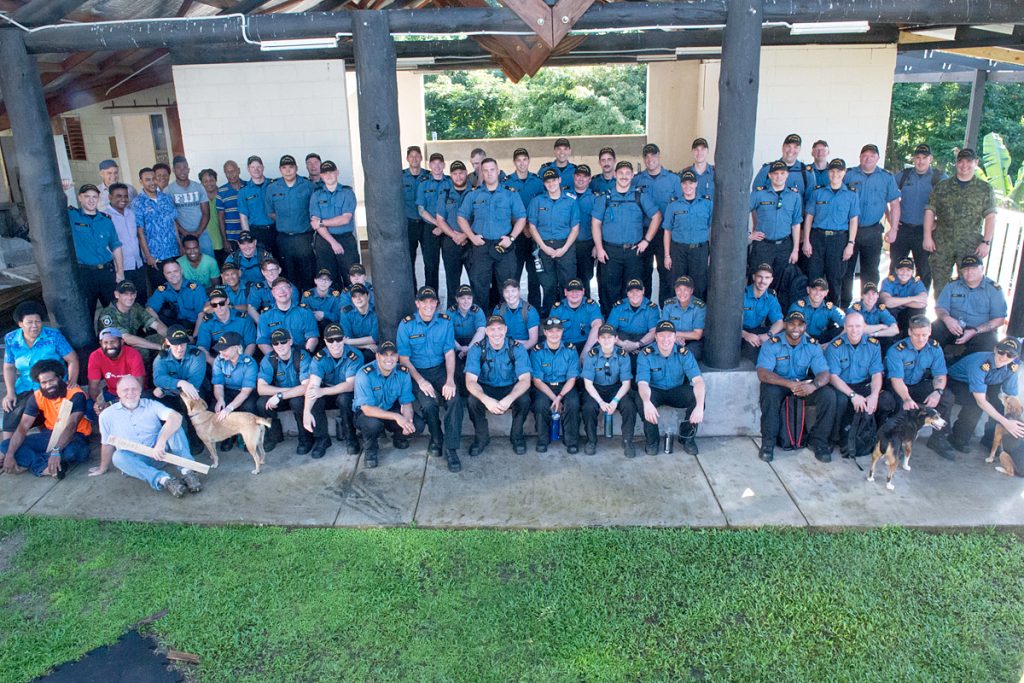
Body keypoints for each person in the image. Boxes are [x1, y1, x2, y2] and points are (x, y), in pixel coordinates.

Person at [93, 376, 202, 497]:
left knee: (174, 427)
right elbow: (107, 443)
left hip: (159, 453)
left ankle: (188, 471)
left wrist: (161, 443)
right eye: (125, 390)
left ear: (140, 390)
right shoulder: (106, 415)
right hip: (136, 461)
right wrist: (103, 467)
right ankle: (165, 480)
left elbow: (176, 417)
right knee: (118, 457)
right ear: (118, 392)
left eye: (134, 389)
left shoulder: (151, 405)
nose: (130, 393)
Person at [755, 311, 836, 463]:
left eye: (800, 325)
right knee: (768, 392)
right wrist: (789, 384)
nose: (796, 328)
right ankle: (768, 443)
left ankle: (819, 442)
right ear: (785, 325)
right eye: (792, 324)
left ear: (805, 327)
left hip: (804, 385)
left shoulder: (812, 345)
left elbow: (824, 373)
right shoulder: (772, 344)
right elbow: (762, 372)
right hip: (780, 383)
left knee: (829, 395)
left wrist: (813, 386)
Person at [397, 286, 463, 472]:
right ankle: (436, 437)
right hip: (417, 371)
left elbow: (449, 353)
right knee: (428, 404)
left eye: (432, 301)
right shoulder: (406, 325)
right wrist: (420, 381)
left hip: (440, 369)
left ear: (436, 303)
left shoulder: (445, 321)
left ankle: (451, 448)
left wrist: (450, 380)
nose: (428, 305)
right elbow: (404, 359)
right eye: (424, 302)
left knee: (454, 399)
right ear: (417, 304)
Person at [591, 161, 662, 316]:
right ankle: (610, 323)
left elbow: (657, 216)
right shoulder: (606, 197)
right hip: (610, 252)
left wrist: (646, 241)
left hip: (633, 252)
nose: (624, 176)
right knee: (610, 289)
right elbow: (596, 223)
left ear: (632, 176)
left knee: (632, 289)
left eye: (627, 173)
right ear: (615, 174)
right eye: (621, 173)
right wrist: (600, 248)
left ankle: (630, 321)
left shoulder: (639, 196)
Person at [933, 338, 1024, 458]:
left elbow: (1011, 396)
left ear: (1015, 357)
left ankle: (990, 439)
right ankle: (958, 437)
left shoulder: (1012, 367)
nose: (1004, 357)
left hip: (984, 382)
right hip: (955, 381)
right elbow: (981, 401)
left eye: (1010, 355)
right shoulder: (981, 363)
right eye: (1001, 352)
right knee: (975, 402)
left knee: (1000, 403)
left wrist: (1015, 417)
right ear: (995, 349)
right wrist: (1006, 422)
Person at [924, 147, 996, 296]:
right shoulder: (942, 186)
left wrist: (986, 242)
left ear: (976, 163)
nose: (964, 165)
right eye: (961, 161)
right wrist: (927, 237)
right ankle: (942, 311)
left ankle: (962, 311)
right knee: (940, 285)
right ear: (956, 163)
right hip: (942, 244)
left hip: (970, 246)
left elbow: (991, 217)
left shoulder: (984, 189)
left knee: (969, 285)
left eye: (969, 161)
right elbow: (930, 211)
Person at [0, 359, 90, 478]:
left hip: (76, 435)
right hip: (49, 434)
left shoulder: (75, 394)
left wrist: (56, 451)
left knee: (72, 452)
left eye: (51, 380)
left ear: (59, 377)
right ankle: (45, 467)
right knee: (6, 446)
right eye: (43, 382)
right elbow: (23, 427)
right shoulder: (37, 396)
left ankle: (37, 463)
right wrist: (10, 455)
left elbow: (71, 426)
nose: (48, 385)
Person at [457, 157, 527, 309]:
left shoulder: (510, 194)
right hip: (481, 246)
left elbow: (522, 217)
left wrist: (511, 238)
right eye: (485, 171)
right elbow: (461, 217)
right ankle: (481, 319)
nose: (489, 173)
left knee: (507, 285)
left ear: (498, 172)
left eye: (492, 170)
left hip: (503, 245)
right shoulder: (474, 194)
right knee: (479, 285)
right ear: (481, 173)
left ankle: (506, 318)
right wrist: (472, 237)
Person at [3, 302, 78, 439]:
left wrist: (72, 381)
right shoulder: (11, 339)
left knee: (50, 415)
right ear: (20, 324)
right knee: (11, 409)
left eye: (37, 321)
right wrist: (10, 392)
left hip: (52, 385)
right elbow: (9, 367)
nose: (34, 326)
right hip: (26, 386)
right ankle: (5, 448)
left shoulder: (53, 336)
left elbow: (72, 359)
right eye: (29, 322)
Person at [839, 144, 901, 308]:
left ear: (878, 158)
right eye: (865, 155)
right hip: (848, 231)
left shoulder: (886, 177)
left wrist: (893, 229)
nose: (868, 159)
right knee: (846, 270)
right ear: (860, 157)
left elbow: (894, 204)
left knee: (871, 271)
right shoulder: (849, 175)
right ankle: (844, 304)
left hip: (872, 230)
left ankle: (868, 305)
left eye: (872, 156)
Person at [465, 315, 532, 456]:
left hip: (510, 386)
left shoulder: (517, 348)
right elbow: (470, 381)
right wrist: (486, 399)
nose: (496, 333)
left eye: (500, 328)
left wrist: (509, 398)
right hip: (486, 387)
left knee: (524, 399)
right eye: (492, 329)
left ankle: (517, 437)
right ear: (486, 331)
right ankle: (481, 438)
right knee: (472, 400)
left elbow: (525, 380)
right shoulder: (477, 349)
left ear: (506, 329)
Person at [637, 320, 706, 455]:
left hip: (676, 390)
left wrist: (699, 406)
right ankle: (652, 440)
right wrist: (646, 402)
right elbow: (642, 383)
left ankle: (687, 438)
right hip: (655, 390)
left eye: (669, 336)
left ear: (675, 337)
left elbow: (698, 381)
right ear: (656, 337)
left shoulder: (684, 353)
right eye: (661, 335)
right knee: (640, 399)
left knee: (697, 397)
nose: (665, 340)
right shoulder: (646, 354)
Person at [352, 341, 422, 469]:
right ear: (377, 356)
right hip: (368, 414)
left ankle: (398, 438)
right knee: (372, 424)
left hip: (389, 409)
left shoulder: (403, 372)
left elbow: (406, 401)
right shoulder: (364, 374)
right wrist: (397, 417)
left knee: (417, 425)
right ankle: (370, 450)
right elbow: (367, 409)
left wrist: (407, 421)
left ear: (397, 356)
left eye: (392, 354)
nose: (389, 359)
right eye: (384, 355)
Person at [824, 312, 883, 458]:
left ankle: (875, 438)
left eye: (858, 326)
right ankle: (832, 438)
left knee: (886, 401)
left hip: (862, 384)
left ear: (864, 326)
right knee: (840, 401)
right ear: (845, 327)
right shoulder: (835, 346)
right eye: (850, 326)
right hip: (841, 385)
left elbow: (876, 373)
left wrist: (874, 395)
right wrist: (853, 395)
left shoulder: (873, 345)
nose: (854, 330)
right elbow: (833, 377)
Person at [889, 143, 947, 290]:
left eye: (924, 158)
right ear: (914, 159)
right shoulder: (904, 175)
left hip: (925, 232)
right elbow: (885, 194)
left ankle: (919, 301)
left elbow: (949, 205)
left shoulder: (939, 178)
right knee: (896, 267)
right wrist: (891, 221)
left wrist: (938, 223)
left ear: (930, 159)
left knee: (924, 270)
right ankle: (893, 297)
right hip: (902, 229)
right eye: (917, 158)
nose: (920, 161)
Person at [803, 158, 859, 304]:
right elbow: (809, 217)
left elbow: (853, 220)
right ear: (828, 172)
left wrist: (850, 244)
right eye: (832, 171)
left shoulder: (851, 195)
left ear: (844, 173)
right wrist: (806, 240)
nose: (835, 174)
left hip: (838, 240)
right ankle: (811, 311)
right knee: (814, 277)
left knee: (835, 279)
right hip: (817, 238)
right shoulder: (818, 192)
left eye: (839, 171)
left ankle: (832, 312)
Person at [303, 324, 363, 458]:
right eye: (330, 340)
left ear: (343, 339)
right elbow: (312, 386)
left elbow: (350, 385)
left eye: (338, 339)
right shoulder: (319, 358)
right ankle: (322, 439)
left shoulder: (354, 355)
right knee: (314, 398)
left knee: (345, 399)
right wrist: (306, 411)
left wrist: (322, 391)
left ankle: (351, 437)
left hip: (345, 391)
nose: (335, 343)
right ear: (325, 341)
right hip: (328, 389)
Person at [932, 255, 1007, 360]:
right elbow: (940, 307)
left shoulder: (994, 290)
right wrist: (947, 319)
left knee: (988, 347)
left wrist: (975, 331)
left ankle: (961, 365)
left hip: (980, 331)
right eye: (966, 269)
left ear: (982, 269)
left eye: (973, 268)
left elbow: (999, 320)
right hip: (953, 326)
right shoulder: (952, 285)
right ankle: (932, 363)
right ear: (961, 271)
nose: (969, 272)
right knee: (931, 331)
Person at [876, 315, 948, 425]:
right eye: (916, 335)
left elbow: (940, 374)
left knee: (947, 397)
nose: (921, 339)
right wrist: (907, 398)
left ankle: (940, 434)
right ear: (909, 332)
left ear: (930, 332)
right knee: (900, 412)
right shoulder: (897, 350)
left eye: (924, 335)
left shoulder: (935, 348)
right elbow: (897, 379)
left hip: (917, 384)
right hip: (897, 387)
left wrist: (937, 392)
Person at [633, 143, 682, 300]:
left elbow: (680, 206)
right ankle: (646, 307)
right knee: (643, 273)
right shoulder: (637, 180)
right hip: (644, 233)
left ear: (659, 156)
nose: (650, 159)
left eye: (653, 155)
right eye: (646, 156)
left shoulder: (673, 179)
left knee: (667, 273)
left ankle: (665, 307)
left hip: (665, 234)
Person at [581, 324, 638, 457]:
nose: (606, 340)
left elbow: (626, 384)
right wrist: (601, 402)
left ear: (615, 339)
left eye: (610, 337)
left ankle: (627, 441)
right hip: (595, 388)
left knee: (629, 406)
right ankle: (591, 440)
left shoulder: (623, 355)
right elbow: (588, 384)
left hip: (616, 388)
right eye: (603, 337)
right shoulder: (591, 355)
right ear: (598, 339)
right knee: (589, 407)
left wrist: (615, 401)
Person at [70, 183, 124, 322]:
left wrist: (120, 272)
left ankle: (116, 336)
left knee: (114, 312)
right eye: (87, 196)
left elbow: (116, 246)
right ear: (80, 198)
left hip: (106, 272)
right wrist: (63, 190)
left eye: (94, 197)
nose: (91, 200)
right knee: (86, 314)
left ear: (99, 198)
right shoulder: (72, 216)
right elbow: (56, 210)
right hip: (85, 274)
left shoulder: (106, 221)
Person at [529, 168, 580, 316]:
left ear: (559, 180)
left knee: (567, 284)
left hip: (565, 246)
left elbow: (575, 228)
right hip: (543, 246)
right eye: (548, 182)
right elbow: (532, 227)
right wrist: (544, 247)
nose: (551, 184)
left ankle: (567, 316)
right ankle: (549, 317)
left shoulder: (571, 201)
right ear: (544, 184)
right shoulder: (537, 201)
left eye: (554, 180)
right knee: (548, 285)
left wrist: (564, 248)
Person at [256, 328, 314, 454]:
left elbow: (306, 387)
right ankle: (274, 436)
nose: (280, 346)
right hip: (285, 394)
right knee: (261, 403)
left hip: (299, 396)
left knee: (297, 402)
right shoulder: (269, 359)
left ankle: (306, 438)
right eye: (275, 343)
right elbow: (261, 388)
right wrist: (282, 394)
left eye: (283, 342)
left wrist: (280, 395)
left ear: (290, 342)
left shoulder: (302, 356)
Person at [151, 325, 208, 453]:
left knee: (191, 400)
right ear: (167, 342)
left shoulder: (197, 355)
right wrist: (180, 383)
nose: (180, 348)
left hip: (192, 393)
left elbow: (193, 385)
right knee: (149, 398)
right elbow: (158, 379)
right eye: (175, 344)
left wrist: (165, 389)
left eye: (182, 343)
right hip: (172, 394)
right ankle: (159, 440)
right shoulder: (161, 358)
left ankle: (196, 440)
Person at [264, 154, 316, 289]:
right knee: (288, 273)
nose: (288, 171)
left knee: (308, 272)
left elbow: (314, 211)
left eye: (291, 167)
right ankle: (292, 299)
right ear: (280, 170)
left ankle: (307, 299)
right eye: (284, 167)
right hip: (284, 238)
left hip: (304, 237)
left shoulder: (308, 186)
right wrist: (286, 221)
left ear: (296, 168)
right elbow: (270, 212)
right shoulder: (272, 188)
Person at [530, 318, 581, 454]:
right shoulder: (537, 351)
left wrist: (560, 397)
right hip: (544, 386)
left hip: (565, 385)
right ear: (545, 332)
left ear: (562, 331)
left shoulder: (570, 350)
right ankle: (542, 440)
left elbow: (572, 378)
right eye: (550, 331)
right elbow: (537, 381)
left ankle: (571, 441)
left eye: (557, 331)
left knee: (573, 404)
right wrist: (555, 398)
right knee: (540, 405)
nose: (554, 334)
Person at [505, 148, 546, 308]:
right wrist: (522, 227)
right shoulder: (507, 182)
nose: (522, 163)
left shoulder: (538, 182)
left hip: (534, 234)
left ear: (529, 161)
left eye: (524, 159)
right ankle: (513, 307)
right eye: (518, 160)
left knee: (534, 275)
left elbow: (543, 206)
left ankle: (534, 309)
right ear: (514, 162)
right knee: (513, 273)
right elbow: (506, 210)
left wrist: (530, 227)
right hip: (515, 234)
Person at [662, 169, 713, 300]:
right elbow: (667, 230)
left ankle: (698, 312)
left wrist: (710, 253)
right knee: (677, 284)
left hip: (699, 251)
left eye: (691, 183)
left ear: (696, 184)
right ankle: (676, 312)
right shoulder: (673, 205)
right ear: (681, 185)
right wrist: (667, 255)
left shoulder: (707, 204)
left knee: (699, 285)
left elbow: (711, 229)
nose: (687, 186)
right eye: (684, 183)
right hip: (678, 251)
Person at [749, 160, 802, 279]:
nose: (779, 177)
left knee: (782, 281)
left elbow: (796, 224)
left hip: (784, 246)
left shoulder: (794, 196)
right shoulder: (759, 194)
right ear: (770, 175)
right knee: (759, 279)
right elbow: (741, 213)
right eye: (775, 173)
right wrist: (748, 234)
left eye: (782, 173)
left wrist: (795, 250)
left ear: (787, 175)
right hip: (763, 245)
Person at [310, 160, 359, 287]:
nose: (328, 175)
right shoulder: (316, 195)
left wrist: (322, 222)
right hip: (324, 240)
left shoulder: (347, 192)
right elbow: (315, 224)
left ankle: (350, 300)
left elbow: (345, 219)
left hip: (345, 239)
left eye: (331, 172)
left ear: (337, 173)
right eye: (325, 173)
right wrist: (333, 242)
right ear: (321, 175)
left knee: (351, 276)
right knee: (327, 277)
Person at [134, 166, 180, 291]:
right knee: (160, 290)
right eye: (147, 180)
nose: (152, 182)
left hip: (172, 251)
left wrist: (180, 245)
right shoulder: (138, 202)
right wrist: (148, 256)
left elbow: (173, 223)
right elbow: (140, 232)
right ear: (141, 182)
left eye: (154, 178)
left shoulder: (166, 198)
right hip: (155, 256)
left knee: (176, 286)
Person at [434, 160, 473, 308]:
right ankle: (452, 311)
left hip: (471, 242)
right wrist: (454, 235)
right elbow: (440, 219)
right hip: (451, 242)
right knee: (452, 282)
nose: (458, 176)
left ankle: (476, 312)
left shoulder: (475, 192)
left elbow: (479, 218)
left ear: (466, 174)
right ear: (451, 176)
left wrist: (465, 235)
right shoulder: (445, 194)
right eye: (455, 174)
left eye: (461, 173)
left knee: (476, 280)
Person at [210, 332, 258, 452]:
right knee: (217, 406)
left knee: (249, 406)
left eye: (225, 349)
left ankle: (248, 437)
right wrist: (220, 399)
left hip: (245, 392)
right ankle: (227, 435)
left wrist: (229, 408)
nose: (221, 353)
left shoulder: (249, 363)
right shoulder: (219, 360)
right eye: (220, 350)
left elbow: (245, 392)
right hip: (228, 391)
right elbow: (218, 385)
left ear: (236, 348)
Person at [96, 280, 168, 358]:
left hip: (133, 344)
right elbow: (127, 338)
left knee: (163, 339)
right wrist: (159, 347)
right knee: (141, 351)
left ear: (136, 294)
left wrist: (170, 339)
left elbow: (156, 325)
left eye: (132, 294)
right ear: (117, 295)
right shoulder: (108, 314)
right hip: (115, 350)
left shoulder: (136, 307)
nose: (130, 297)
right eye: (125, 294)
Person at [413, 152, 450, 292]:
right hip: (430, 228)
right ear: (429, 166)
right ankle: (431, 296)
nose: (437, 166)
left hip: (449, 228)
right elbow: (421, 210)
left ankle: (453, 298)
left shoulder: (450, 182)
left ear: (444, 165)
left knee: (451, 265)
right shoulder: (424, 184)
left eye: (440, 163)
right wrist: (439, 224)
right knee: (431, 265)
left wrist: (443, 226)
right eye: (434, 164)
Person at [106, 182, 148, 303]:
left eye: (125, 196)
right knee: (125, 302)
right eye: (119, 196)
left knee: (141, 298)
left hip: (137, 264)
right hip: (121, 268)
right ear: (110, 197)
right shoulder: (105, 217)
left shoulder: (131, 214)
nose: (123, 199)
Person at [256, 277, 319, 356]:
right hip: (276, 355)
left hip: (301, 354)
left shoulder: (305, 312)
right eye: (278, 288)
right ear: (273, 293)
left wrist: (302, 357)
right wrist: (275, 359)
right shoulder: (265, 316)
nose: (282, 291)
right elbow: (263, 342)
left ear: (291, 290)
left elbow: (313, 337)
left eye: (285, 287)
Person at [88, 327, 146, 412]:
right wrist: (99, 404)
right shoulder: (95, 356)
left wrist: (112, 404)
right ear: (100, 343)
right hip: (112, 393)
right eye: (105, 343)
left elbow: (138, 388)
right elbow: (93, 387)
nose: (109, 346)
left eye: (113, 342)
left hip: (133, 395)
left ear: (122, 342)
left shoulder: (133, 355)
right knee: (89, 406)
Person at [752, 133, 812, 211]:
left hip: (796, 218)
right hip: (769, 217)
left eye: (795, 147)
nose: (791, 150)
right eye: (788, 146)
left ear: (799, 149)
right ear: (783, 147)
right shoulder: (767, 170)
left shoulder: (806, 173)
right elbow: (755, 198)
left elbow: (810, 202)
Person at [168, 156, 212, 256]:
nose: (182, 171)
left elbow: (206, 213)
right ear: (174, 170)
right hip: (182, 236)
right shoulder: (169, 190)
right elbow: (171, 217)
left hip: (202, 234)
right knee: (186, 263)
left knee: (208, 261)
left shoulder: (199, 187)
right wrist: (184, 232)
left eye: (184, 167)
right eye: (178, 168)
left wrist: (198, 233)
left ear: (188, 169)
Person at [740, 264, 785, 363]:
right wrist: (746, 335)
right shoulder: (741, 294)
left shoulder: (771, 297)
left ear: (771, 280)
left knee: (787, 333)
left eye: (767, 278)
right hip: (738, 332)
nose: (763, 281)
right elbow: (728, 323)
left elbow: (779, 322)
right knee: (750, 349)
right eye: (760, 277)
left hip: (757, 331)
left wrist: (767, 335)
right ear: (754, 277)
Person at [145, 259, 207, 329]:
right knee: (158, 315)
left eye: (175, 271)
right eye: (169, 273)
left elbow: (201, 314)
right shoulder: (163, 289)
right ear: (164, 275)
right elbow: (149, 309)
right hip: (177, 324)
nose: (173, 275)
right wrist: (163, 329)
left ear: (181, 271)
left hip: (196, 325)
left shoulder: (196, 288)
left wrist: (195, 335)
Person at [569, 164, 600, 297]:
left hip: (587, 245)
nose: (581, 179)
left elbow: (600, 224)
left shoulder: (595, 198)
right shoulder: (564, 195)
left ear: (589, 179)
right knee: (567, 278)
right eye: (578, 175)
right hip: (567, 245)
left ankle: (586, 305)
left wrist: (596, 246)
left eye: (585, 176)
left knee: (585, 279)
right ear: (574, 177)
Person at [448, 284, 486, 394]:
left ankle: (479, 391)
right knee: (455, 366)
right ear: (457, 299)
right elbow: (447, 334)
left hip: (474, 342)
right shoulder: (450, 312)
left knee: (477, 363)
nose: (466, 301)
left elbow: (481, 331)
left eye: (469, 298)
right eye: (462, 298)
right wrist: (459, 348)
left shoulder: (477, 311)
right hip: (456, 343)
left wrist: (469, 349)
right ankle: (459, 393)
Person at [608, 279, 659, 359]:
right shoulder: (618, 307)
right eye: (631, 291)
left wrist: (636, 345)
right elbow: (609, 330)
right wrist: (624, 345)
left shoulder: (652, 309)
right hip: (621, 343)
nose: (634, 294)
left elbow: (653, 332)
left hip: (643, 343)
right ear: (627, 293)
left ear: (643, 291)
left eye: (637, 291)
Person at [237, 155, 276, 257]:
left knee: (279, 260)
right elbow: (243, 217)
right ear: (248, 169)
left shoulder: (274, 185)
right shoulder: (244, 191)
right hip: (256, 232)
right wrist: (247, 237)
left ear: (263, 167)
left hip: (275, 230)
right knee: (262, 261)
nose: (256, 170)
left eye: (258, 166)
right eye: (253, 167)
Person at [550, 279, 601, 358]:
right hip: (564, 346)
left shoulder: (591, 306)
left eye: (577, 291)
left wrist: (586, 351)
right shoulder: (557, 309)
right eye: (571, 291)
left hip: (587, 344)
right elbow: (552, 332)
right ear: (565, 292)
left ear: (583, 291)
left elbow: (597, 325)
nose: (574, 294)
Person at [660, 275, 706, 361]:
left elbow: (697, 335)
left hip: (693, 342)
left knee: (684, 357)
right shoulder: (669, 305)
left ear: (691, 291)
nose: (682, 293)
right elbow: (663, 329)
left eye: (686, 289)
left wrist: (676, 334)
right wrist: (675, 339)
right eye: (679, 289)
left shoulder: (699, 307)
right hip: (672, 339)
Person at [788, 278, 845, 344]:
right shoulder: (798, 306)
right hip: (801, 339)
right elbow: (792, 327)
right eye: (815, 289)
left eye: (821, 290)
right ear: (808, 290)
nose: (817, 293)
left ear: (826, 293)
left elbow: (848, 323)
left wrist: (830, 344)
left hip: (822, 340)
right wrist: (813, 343)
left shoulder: (830, 308)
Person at [880, 257, 928, 333]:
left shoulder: (917, 282)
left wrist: (896, 301)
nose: (905, 273)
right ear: (896, 270)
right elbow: (887, 302)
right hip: (892, 316)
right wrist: (913, 298)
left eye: (908, 270)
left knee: (919, 310)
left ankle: (910, 335)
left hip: (907, 315)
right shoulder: (888, 281)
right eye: (901, 270)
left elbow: (923, 302)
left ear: (912, 272)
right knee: (886, 310)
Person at [847, 282, 899, 347]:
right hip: (858, 341)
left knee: (889, 338)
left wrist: (875, 334)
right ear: (862, 296)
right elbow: (859, 330)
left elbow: (895, 330)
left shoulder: (880, 308)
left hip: (874, 337)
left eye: (873, 293)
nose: (870, 297)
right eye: (867, 294)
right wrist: (881, 326)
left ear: (877, 295)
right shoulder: (855, 309)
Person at [403, 146, 429, 272]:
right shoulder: (400, 177)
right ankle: (412, 286)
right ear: (407, 158)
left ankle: (431, 285)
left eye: (417, 156)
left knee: (430, 261)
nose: (414, 159)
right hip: (409, 223)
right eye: (411, 156)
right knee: (409, 261)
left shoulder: (429, 176)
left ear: (421, 158)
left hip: (426, 224)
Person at [493, 279, 540, 348]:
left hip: (524, 348)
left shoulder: (530, 311)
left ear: (519, 292)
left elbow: (533, 340)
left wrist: (518, 352)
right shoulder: (498, 310)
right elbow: (494, 334)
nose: (510, 295)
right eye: (506, 291)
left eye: (513, 291)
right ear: (503, 294)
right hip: (503, 347)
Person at [339, 284, 379, 361]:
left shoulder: (376, 311)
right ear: (352, 299)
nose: (358, 299)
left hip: (372, 347)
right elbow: (345, 339)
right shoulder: (346, 312)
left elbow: (373, 338)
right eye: (354, 296)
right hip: (353, 346)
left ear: (368, 296)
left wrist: (348, 341)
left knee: (369, 354)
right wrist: (365, 346)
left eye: (361, 295)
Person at [198, 168, 228, 263]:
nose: (209, 184)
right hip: (206, 239)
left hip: (223, 238)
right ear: (201, 183)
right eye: (205, 181)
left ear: (216, 180)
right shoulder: (199, 198)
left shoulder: (223, 194)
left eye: (211, 180)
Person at [216, 160, 245, 251]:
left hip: (249, 236)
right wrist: (225, 240)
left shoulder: (248, 187)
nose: (231, 175)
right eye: (227, 172)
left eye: (233, 171)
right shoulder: (221, 192)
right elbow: (221, 218)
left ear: (239, 170)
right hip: (231, 238)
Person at [683, 137, 715, 202]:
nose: (699, 153)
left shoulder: (715, 173)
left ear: (707, 151)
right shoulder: (684, 174)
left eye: (702, 149)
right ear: (692, 152)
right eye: (696, 149)